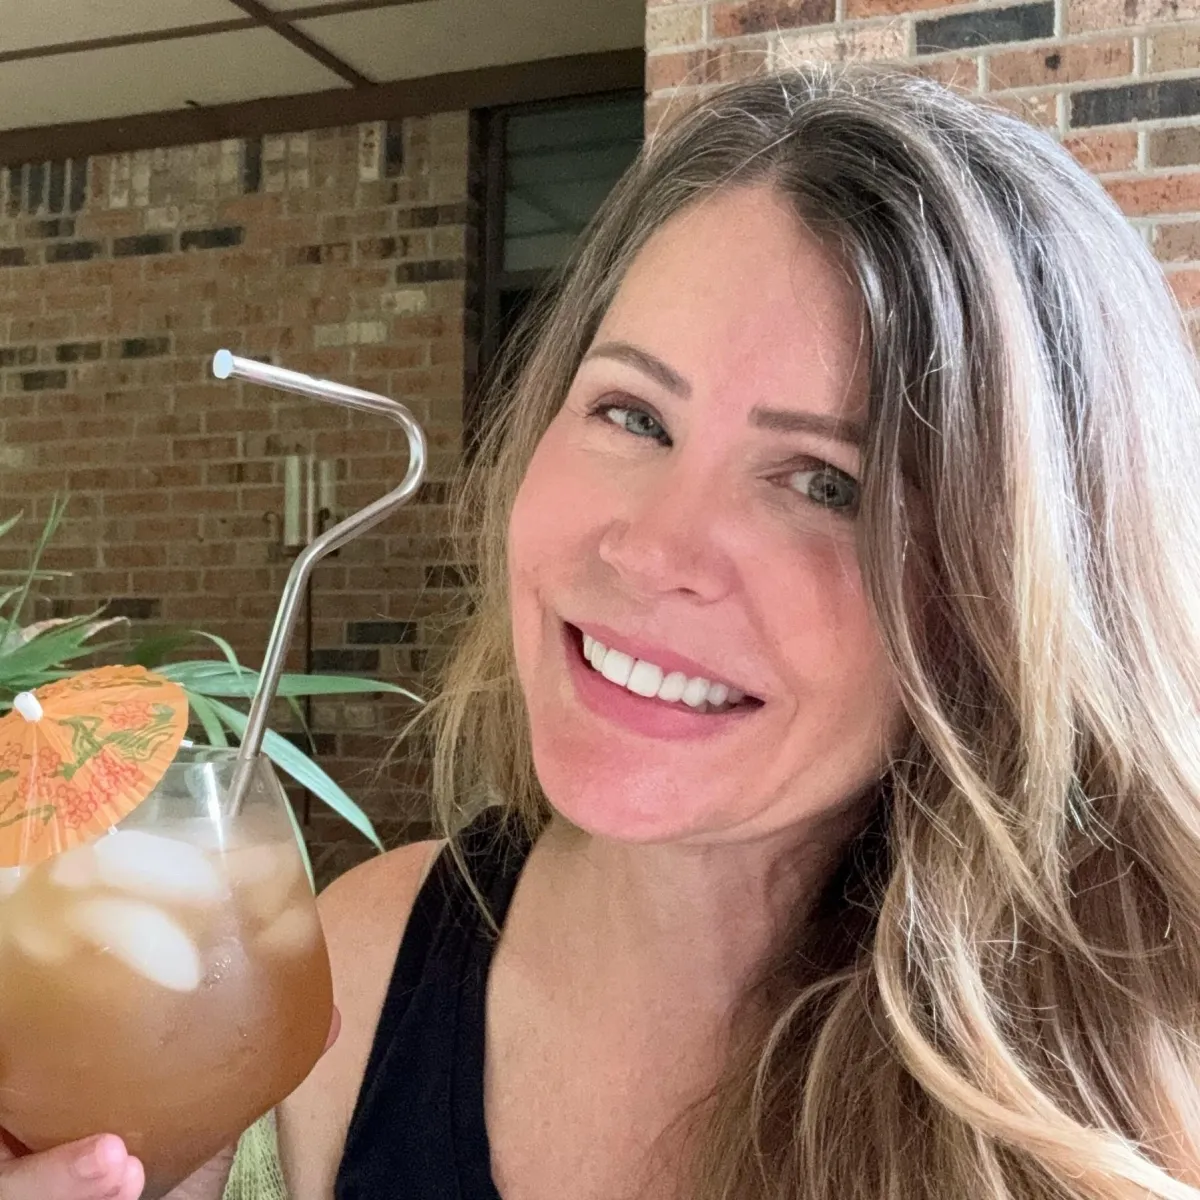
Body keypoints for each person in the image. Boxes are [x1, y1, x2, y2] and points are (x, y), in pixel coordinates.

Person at [6, 63, 1200, 1200]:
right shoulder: (342, 982)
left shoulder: (1149, 1104)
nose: (651, 550)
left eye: (827, 483)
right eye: (633, 413)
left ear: (1011, 598)